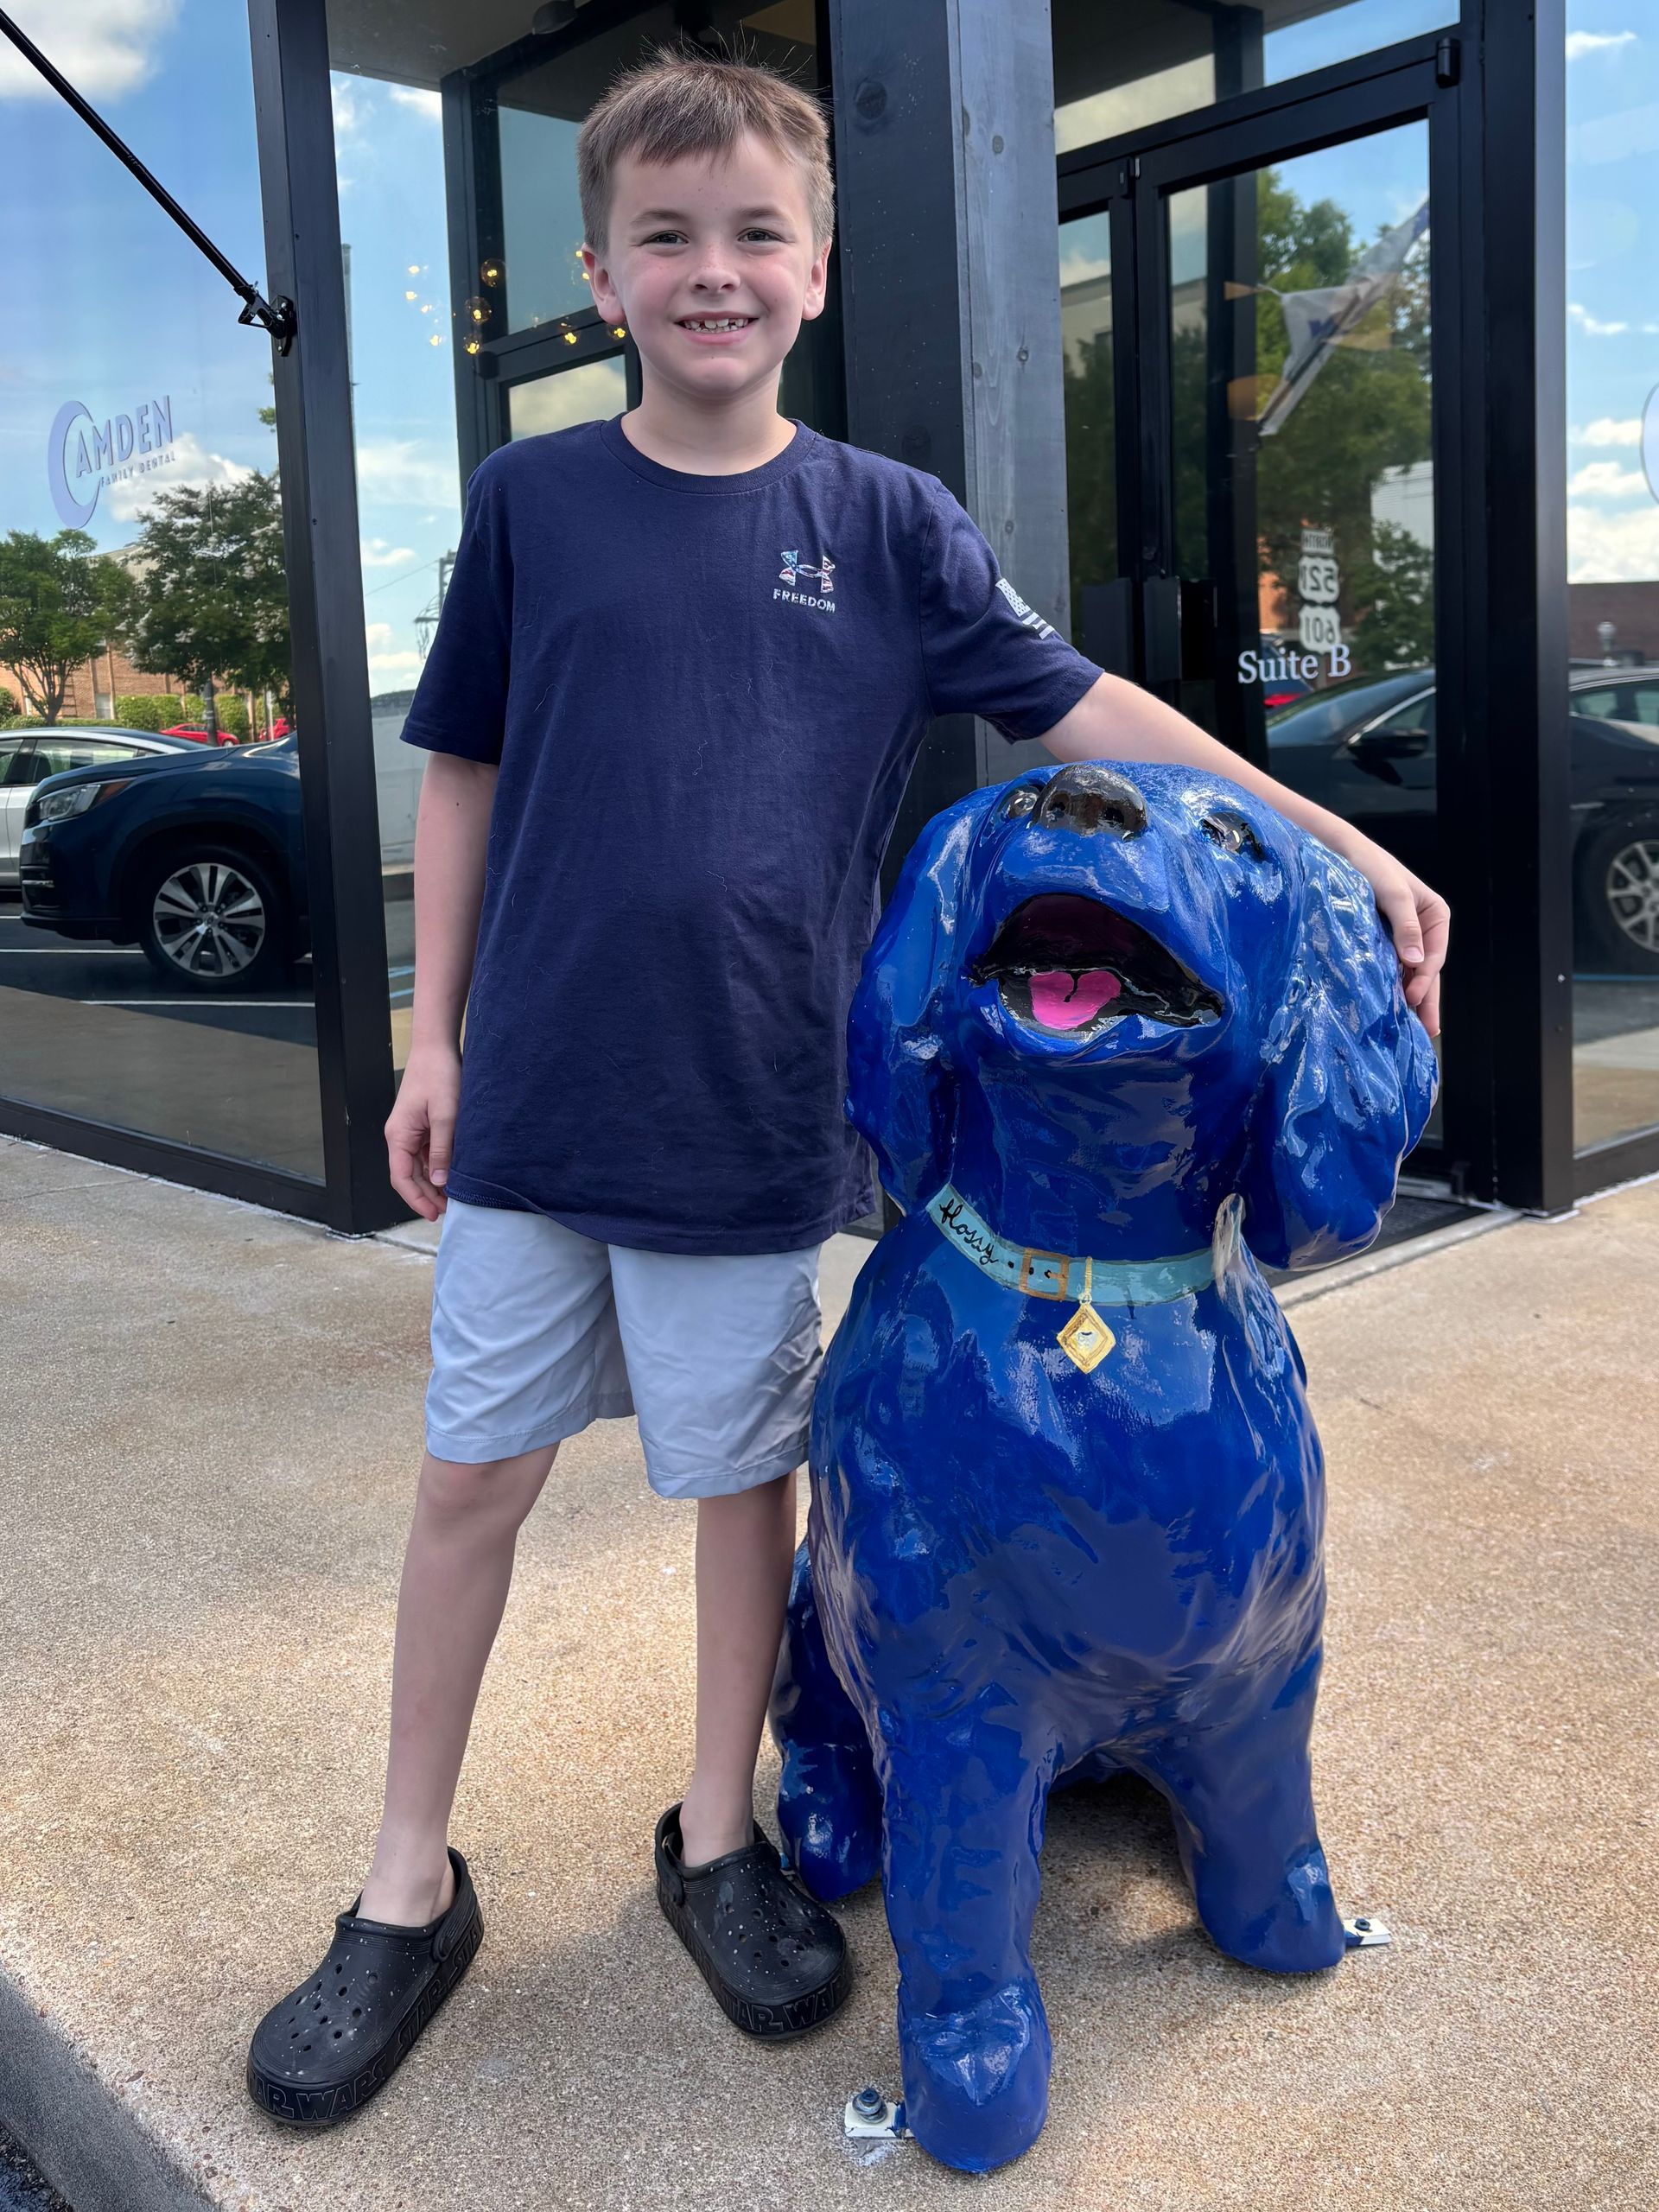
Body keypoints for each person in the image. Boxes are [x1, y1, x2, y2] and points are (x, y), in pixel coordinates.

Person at [245, 43, 1448, 2128]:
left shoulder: (886, 525)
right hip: (538, 1101)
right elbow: (462, 771)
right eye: (666, 238)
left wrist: (1326, 835)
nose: (713, 270)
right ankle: (402, 1882)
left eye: (755, 235)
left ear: (816, 270)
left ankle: (718, 1837)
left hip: (745, 1119)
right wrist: (429, 1036)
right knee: (472, 1482)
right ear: (603, 275)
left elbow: (1091, 701)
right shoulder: (534, 502)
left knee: (736, 1492)